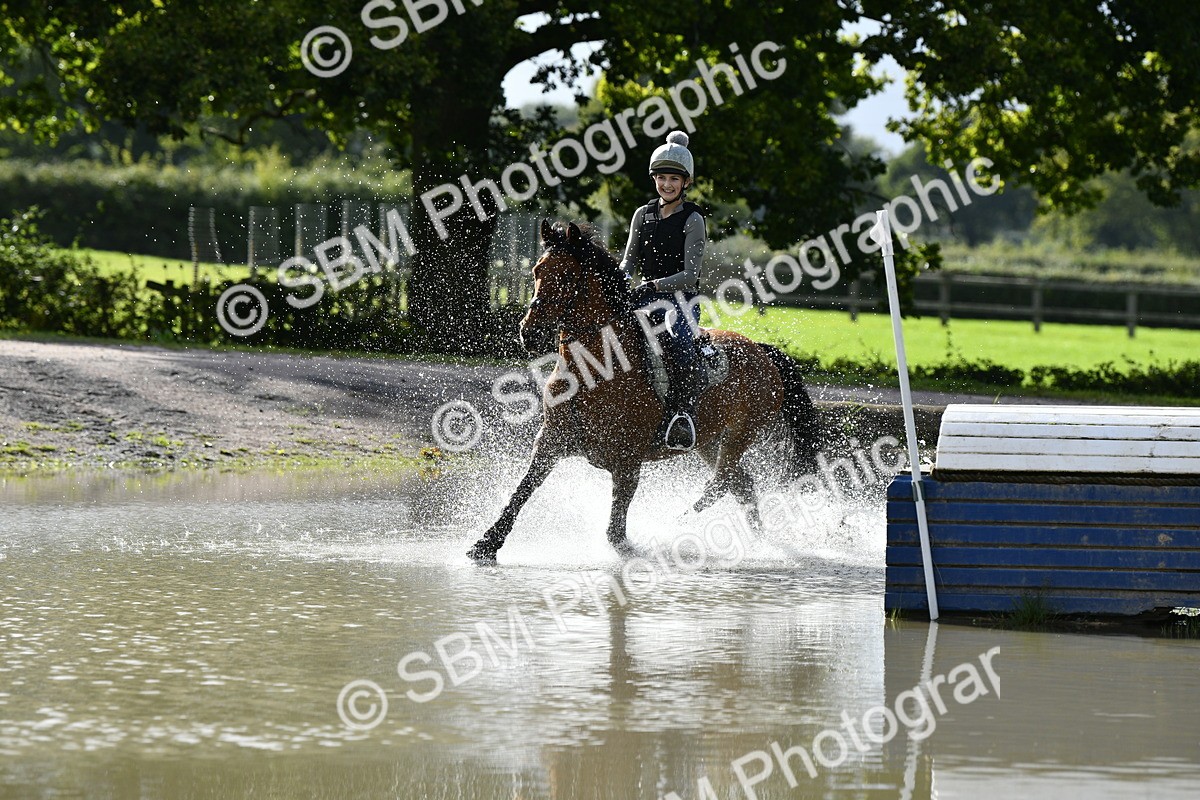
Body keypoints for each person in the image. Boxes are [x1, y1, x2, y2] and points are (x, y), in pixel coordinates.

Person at [618, 130, 707, 451]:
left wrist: (654, 285)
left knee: (678, 341)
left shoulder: (693, 218)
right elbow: (628, 261)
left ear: (686, 183)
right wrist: (615, 281)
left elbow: (689, 274)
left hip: (682, 300)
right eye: (661, 178)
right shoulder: (643, 214)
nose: (666, 184)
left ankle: (682, 415)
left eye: (673, 178)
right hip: (644, 296)